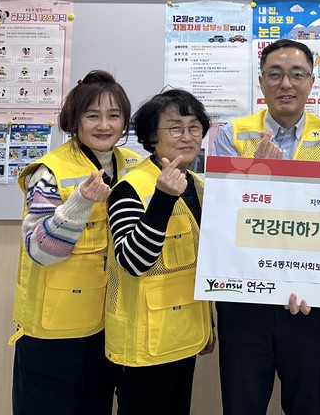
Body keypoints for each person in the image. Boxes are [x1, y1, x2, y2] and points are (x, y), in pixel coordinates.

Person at [211, 39, 320, 415]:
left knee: (307, 403)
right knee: (242, 403)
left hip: (308, 301)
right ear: (261, 81)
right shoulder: (232, 134)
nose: (286, 83)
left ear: (311, 82)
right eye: (275, 74)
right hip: (245, 296)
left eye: (296, 74)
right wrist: (255, 177)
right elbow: (221, 214)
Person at [10, 70, 141, 415]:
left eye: (114, 115)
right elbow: (40, 251)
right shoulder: (49, 171)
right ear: (75, 120)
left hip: (108, 327)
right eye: (92, 115)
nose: (104, 125)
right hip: (54, 331)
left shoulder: (134, 166)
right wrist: (81, 201)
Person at [106, 89, 214, 415]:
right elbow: (133, 262)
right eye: (175, 128)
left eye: (194, 127)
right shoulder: (130, 188)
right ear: (152, 136)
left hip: (184, 337)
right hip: (142, 344)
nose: (187, 136)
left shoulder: (198, 187)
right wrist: (163, 199)